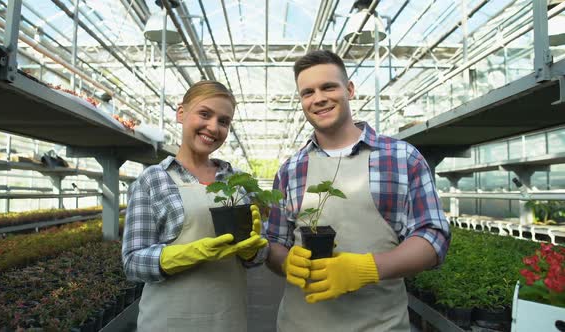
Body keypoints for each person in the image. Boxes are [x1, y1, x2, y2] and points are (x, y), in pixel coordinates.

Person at [265, 50, 451, 331]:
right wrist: (286, 261)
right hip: (299, 323)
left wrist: (368, 268)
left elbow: (433, 236)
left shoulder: (401, 157)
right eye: (308, 92)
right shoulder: (291, 169)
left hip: (380, 325)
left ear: (349, 90)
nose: (318, 98)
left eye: (328, 86)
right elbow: (274, 241)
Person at [122, 80, 267, 332]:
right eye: (204, 114)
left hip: (228, 321)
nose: (213, 127)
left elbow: (256, 257)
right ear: (181, 113)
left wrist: (253, 252)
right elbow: (132, 263)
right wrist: (184, 255)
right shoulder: (153, 179)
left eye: (224, 121)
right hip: (167, 322)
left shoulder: (237, 181)